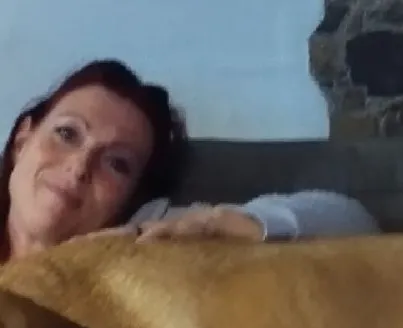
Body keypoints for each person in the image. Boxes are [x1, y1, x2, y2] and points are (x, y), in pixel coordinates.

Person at [0, 58, 379, 263]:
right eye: (67, 134)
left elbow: (354, 219)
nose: (80, 167)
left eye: (117, 163)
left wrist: (218, 223)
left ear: (131, 195)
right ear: (22, 140)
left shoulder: (146, 230)